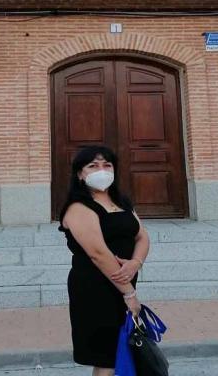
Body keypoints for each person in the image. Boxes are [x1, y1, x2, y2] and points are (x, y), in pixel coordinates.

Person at [59, 146, 151, 376]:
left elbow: (142, 235)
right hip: (95, 288)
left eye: (106, 165)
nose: (102, 170)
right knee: (106, 357)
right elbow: (98, 253)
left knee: (121, 351)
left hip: (124, 283)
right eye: (93, 165)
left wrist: (135, 262)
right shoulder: (78, 208)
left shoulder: (122, 203)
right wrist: (129, 294)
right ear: (80, 174)